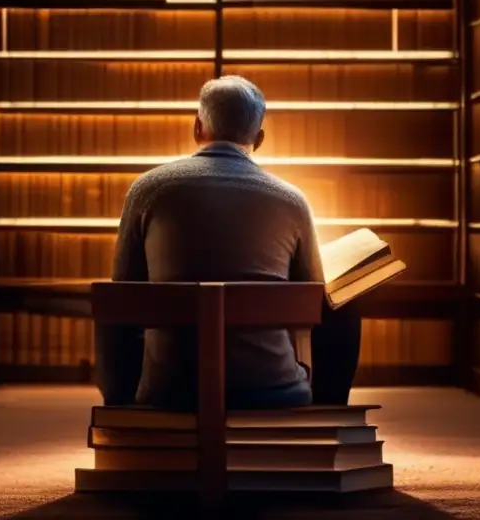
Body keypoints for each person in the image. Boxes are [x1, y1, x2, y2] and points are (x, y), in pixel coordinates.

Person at [95, 75, 361, 411]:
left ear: (197, 128)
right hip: (272, 391)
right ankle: (328, 420)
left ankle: (122, 412)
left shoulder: (146, 190)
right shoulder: (292, 200)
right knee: (344, 305)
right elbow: (313, 294)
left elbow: (122, 291)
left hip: (170, 391)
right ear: (259, 138)